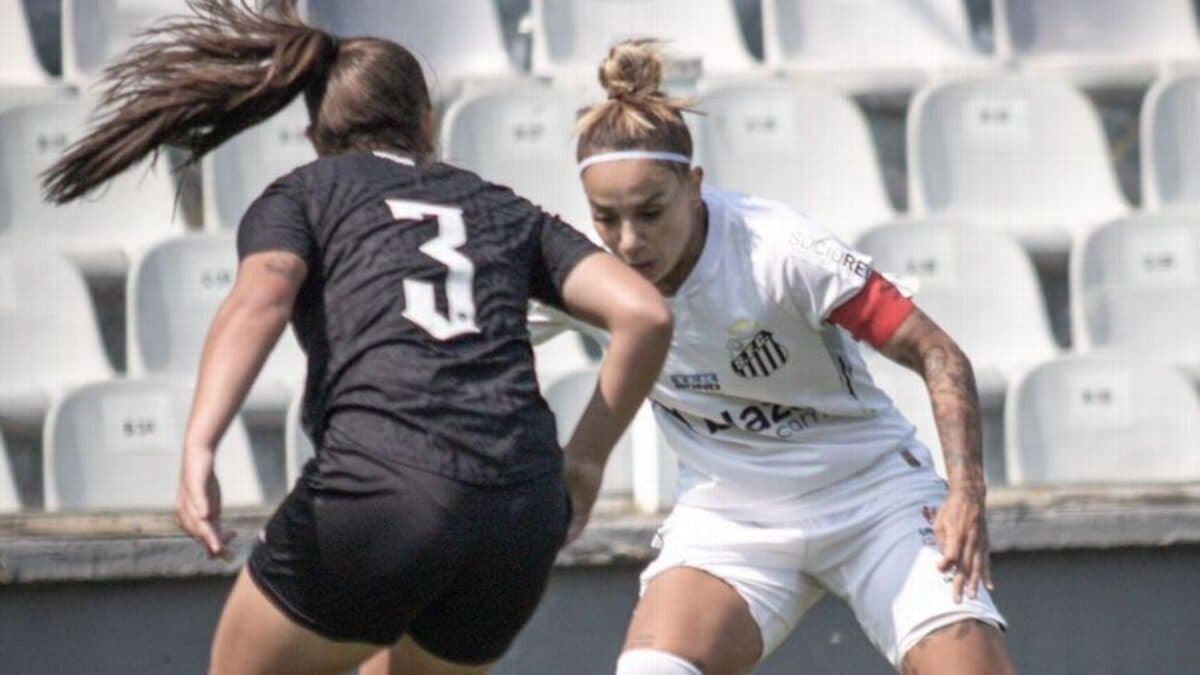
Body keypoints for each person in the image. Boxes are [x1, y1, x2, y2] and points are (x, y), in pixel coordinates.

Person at [42, 4, 672, 674]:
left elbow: (261, 297)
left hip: (382, 485)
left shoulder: (304, 193)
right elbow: (644, 315)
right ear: (427, 122)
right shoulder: (503, 206)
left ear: (316, 135)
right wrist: (585, 463)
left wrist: (199, 445)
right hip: (519, 506)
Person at [566, 41, 1018, 675]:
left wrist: (966, 495)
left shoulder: (779, 250)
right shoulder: (581, 268)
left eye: (650, 212)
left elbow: (938, 353)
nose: (630, 242)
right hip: (732, 517)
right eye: (606, 220)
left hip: (873, 494)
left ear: (694, 187)